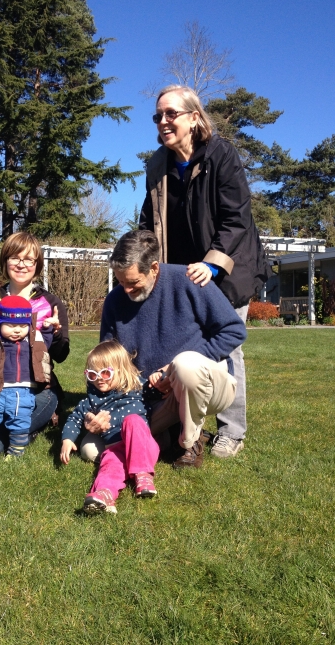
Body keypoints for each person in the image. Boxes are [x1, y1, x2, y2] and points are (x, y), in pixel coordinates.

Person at [139, 84, 272, 458]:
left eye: (171, 114)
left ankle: (232, 430)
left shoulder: (221, 156)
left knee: (226, 347)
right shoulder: (157, 165)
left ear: (194, 118)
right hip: (183, 273)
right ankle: (186, 425)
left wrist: (213, 263)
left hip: (230, 266)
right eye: (158, 116)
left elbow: (236, 218)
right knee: (184, 346)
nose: (162, 122)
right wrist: (143, 262)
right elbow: (148, 222)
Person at [86, 230, 246, 469]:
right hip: (146, 398)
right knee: (91, 450)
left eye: (133, 282)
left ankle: (189, 442)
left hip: (207, 384)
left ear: (154, 268)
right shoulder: (115, 300)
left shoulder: (190, 281)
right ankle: (168, 434)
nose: (126, 290)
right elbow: (105, 363)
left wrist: (170, 371)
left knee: (185, 366)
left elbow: (234, 330)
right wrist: (96, 411)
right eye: (120, 281)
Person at [0, 232, 69, 453]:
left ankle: (45, 415)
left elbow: (62, 354)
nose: (21, 264)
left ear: (37, 264)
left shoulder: (51, 303)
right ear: (5, 260)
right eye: (15, 257)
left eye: (29, 259)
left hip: (39, 390)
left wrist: (55, 333)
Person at [60, 341, 160, 514]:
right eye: (92, 374)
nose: (99, 378)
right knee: (110, 464)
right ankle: (104, 495)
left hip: (142, 446)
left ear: (121, 370)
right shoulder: (92, 400)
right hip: (115, 447)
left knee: (133, 420)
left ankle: (143, 475)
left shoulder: (138, 387)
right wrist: (67, 440)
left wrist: (159, 379)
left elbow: (160, 391)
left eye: (105, 373)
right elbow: (75, 417)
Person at [0, 295, 57, 458]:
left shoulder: (34, 339)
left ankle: (15, 453)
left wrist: (49, 327)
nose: (17, 330)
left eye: (22, 325)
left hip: (24, 392)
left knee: (20, 424)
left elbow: (46, 344)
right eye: (11, 325)